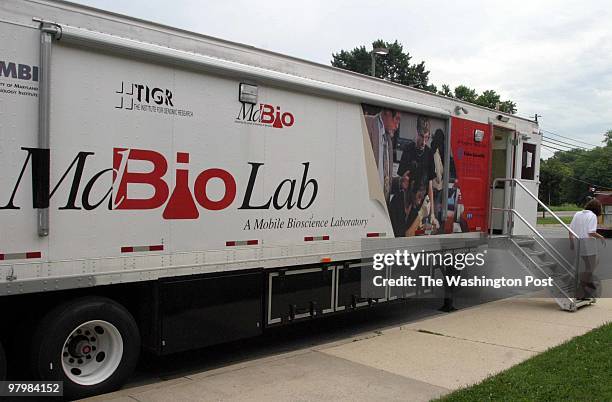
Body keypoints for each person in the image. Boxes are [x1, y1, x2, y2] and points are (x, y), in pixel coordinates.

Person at [397, 116, 439, 236]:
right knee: (406, 234)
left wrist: (432, 213)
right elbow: (402, 180)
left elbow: (430, 184)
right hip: (408, 201)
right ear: (416, 133)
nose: (424, 142)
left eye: (427, 138)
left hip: (422, 201)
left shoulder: (429, 153)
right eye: (421, 137)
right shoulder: (408, 150)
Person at [364, 108, 408, 205]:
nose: (397, 126)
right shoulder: (366, 123)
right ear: (387, 112)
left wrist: (400, 182)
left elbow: (385, 180)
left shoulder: (388, 139)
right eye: (396, 119)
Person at [569, 198, 605, 298]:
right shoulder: (592, 216)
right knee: (591, 266)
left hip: (578, 244)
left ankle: (588, 284)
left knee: (590, 265)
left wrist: (572, 244)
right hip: (587, 246)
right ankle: (581, 289)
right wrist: (601, 237)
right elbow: (591, 232)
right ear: (597, 208)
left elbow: (570, 230)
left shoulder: (577, 214)